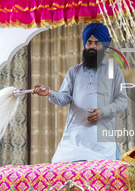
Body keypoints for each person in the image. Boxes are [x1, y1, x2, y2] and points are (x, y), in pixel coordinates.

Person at [32, 23, 127, 163]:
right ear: (85, 44)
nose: (93, 47)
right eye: (89, 42)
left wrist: (103, 111)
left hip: (102, 141)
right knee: (63, 175)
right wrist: (50, 93)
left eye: (97, 43)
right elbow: (65, 98)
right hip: (74, 139)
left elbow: (122, 100)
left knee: (101, 178)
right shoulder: (74, 71)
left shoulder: (115, 71)